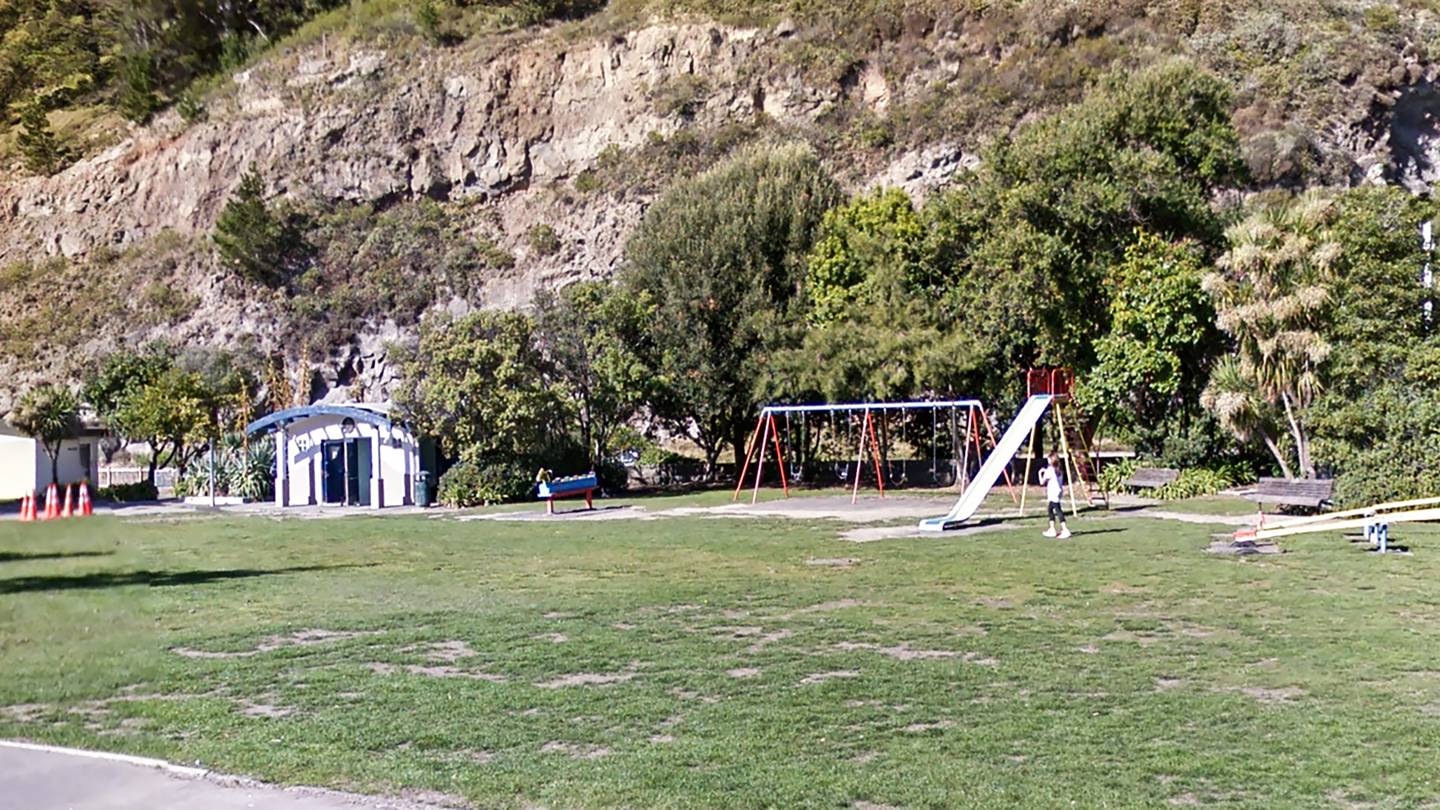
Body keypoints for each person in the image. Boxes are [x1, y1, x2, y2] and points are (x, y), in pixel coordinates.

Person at [1038, 453, 1071, 539]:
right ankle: (1052, 529)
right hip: (1058, 492)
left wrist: (1040, 473)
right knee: (1050, 509)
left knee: (1058, 510)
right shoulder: (1059, 470)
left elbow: (1042, 482)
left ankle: (1065, 529)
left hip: (1053, 493)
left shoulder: (1050, 470)